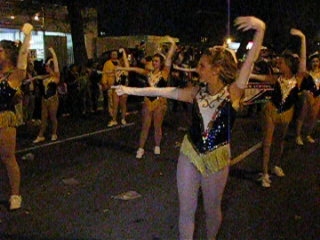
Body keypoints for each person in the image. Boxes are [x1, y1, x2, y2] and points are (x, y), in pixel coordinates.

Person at [114, 16, 265, 239]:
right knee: (186, 210)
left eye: (202, 65)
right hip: (190, 152)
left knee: (212, 211)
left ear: (216, 70)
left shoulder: (233, 93)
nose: (197, 68)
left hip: (217, 157)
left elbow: (250, 60)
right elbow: (162, 91)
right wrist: (129, 90)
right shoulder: (195, 92)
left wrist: (260, 29)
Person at [251, 28, 306, 187]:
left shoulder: (299, 79)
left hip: (287, 114)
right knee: (267, 142)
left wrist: (302, 38)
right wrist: (247, 73)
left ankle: (274, 165)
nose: (277, 64)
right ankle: (265, 173)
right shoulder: (275, 78)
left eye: (280, 63)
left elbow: (302, 59)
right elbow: (257, 76)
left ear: (288, 65)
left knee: (279, 141)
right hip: (270, 110)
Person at [115, 36, 177, 158]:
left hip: (160, 102)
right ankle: (141, 148)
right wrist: (122, 68)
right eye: (153, 61)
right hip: (148, 102)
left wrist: (172, 45)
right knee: (145, 126)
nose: (154, 63)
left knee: (157, 126)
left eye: (156, 61)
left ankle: (157, 145)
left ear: (161, 63)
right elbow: (135, 69)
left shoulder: (164, 73)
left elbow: (169, 58)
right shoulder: (148, 73)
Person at [0, 23, 33, 210]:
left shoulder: (15, 74)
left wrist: (27, 37)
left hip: (4, 117)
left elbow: (22, 57)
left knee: (7, 157)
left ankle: (15, 195)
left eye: (0, 50)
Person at [33, 47, 60, 143]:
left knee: (52, 117)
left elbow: (56, 66)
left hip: (53, 99)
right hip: (44, 99)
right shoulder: (47, 76)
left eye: (48, 66)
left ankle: (54, 133)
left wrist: (53, 53)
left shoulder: (56, 76)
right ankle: (40, 135)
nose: (46, 67)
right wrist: (31, 79)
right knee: (43, 118)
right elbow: (39, 77)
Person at [295, 51, 320, 145]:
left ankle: (308, 135)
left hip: (317, 97)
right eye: (313, 62)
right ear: (310, 63)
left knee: (314, 117)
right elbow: (302, 87)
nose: (315, 63)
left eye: (317, 61)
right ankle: (298, 136)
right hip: (307, 97)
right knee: (302, 115)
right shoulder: (307, 74)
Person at [107, 48, 130, 126]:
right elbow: (109, 72)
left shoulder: (125, 70)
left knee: (123, 104)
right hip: (116, 88)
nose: (119, 62)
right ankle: (114, 119)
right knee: (115, 104)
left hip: (123, 88)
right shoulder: (116, 69)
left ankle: (123, 118)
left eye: (121, 61)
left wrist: (123, 52)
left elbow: (126, 62)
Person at [101, 50, 120, 119]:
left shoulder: (119, 62)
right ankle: (111, 113)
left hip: (119, 84)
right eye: (113, 54)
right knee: (111, 99)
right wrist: (104, 83)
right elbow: (104, 73)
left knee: (118, 99)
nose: (114, 55)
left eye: (115, 54)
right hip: (110, 84)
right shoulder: (107, 63)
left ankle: (117, 111)